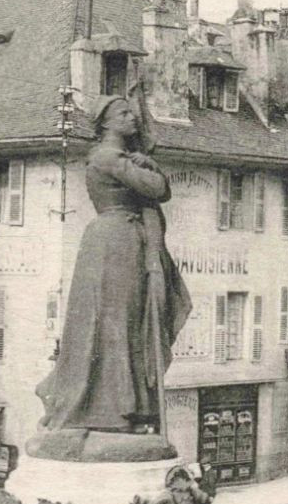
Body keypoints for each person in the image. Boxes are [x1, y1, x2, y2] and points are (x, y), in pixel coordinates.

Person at [34, 95, 191, 442]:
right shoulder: (108, 157)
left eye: (133, 113)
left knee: (126, 324)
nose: (132, 118)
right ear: (105, 122)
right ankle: (114, 409)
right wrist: (148, 164)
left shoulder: (118, 157)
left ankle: (128, 406)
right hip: (116, 241)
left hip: (117, 241)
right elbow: (158, 190)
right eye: (124, 114)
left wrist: (144, 160)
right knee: (117, 323)